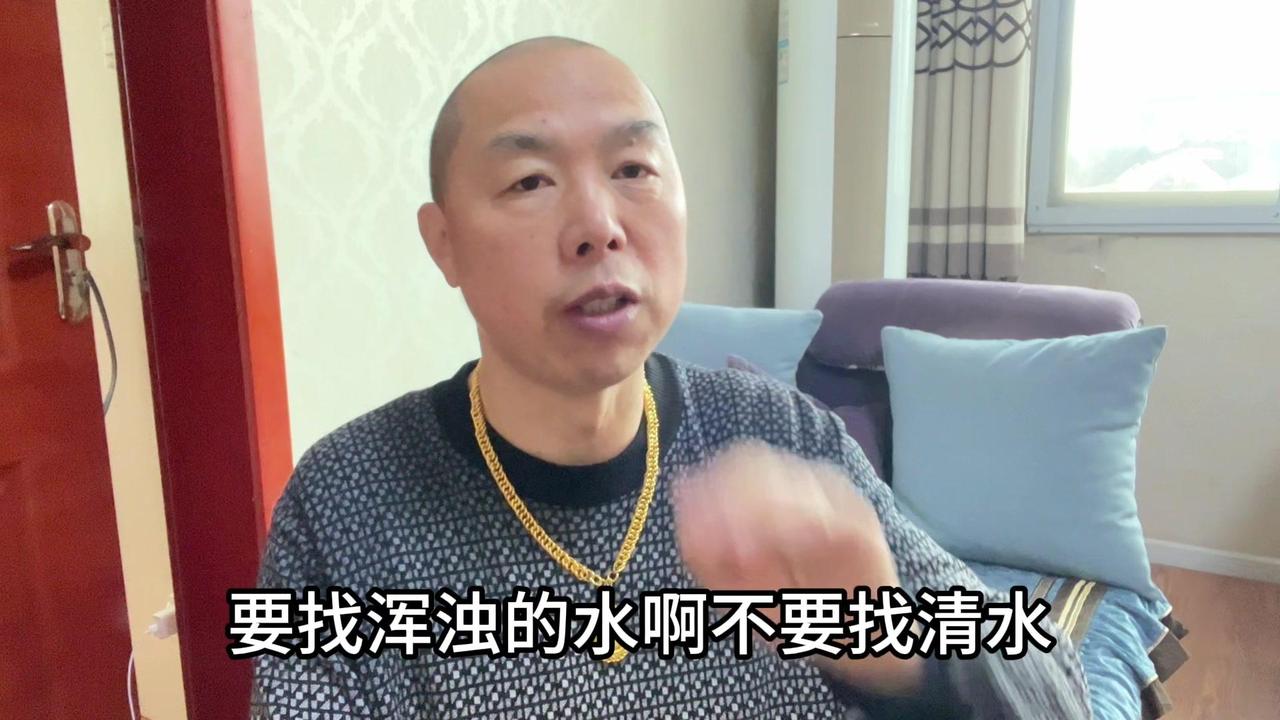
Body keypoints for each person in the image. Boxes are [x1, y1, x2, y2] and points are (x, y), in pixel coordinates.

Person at [251, 36, 1091, 718]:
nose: (598, 226)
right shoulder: (345, 499)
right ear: (445, 245)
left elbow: (1053, 690)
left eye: (633, 170)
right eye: (530, 181)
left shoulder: (784, 436)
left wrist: (896, 656)